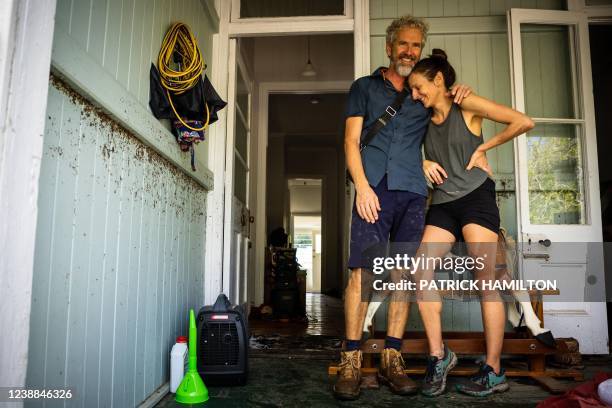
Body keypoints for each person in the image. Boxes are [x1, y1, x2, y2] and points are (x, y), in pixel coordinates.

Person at [334, 16, 471, 401]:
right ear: (389, 48)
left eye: (415, 46)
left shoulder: (422, 92)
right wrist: (361, 186)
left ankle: (392, 356)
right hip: (373, 188)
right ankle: (350, 359)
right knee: (362, 274)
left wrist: (460, 91)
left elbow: (449, 118)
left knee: (402, 276)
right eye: (403, 45)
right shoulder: (364, 87)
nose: (409, 51)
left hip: (412, 191)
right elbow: (351, 141)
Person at [407, 48, 535, 397]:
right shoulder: (420, 118)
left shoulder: (467, 104)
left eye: (419, 88)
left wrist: (485, 148)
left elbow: (523, 121)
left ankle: (493, 369)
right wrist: (420, 164)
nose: (415, 95)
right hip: (444, 205)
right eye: (412, 90)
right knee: (420, 270)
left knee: (486, 279)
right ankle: (439, 355)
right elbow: (401, 150)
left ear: (438, 80)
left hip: (477, 198)